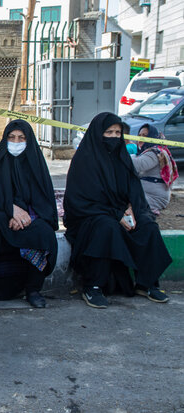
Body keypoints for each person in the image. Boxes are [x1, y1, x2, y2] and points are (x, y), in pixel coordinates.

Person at [63, 112, 172, 309]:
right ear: (98, 134)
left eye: (117, 133)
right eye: (109, 132)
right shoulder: (85, 160)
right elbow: (82, 200)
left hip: (121, 211)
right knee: (106, 227)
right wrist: (116, 214)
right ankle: (93, 286)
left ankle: (147, 283)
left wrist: (131, 208)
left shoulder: (122, 158)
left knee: (147, 226)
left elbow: (134, 190)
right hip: (90, 215)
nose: (114, 137)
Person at [0, 120, 58, 309]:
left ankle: (33, 290)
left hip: (28, 219)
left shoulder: (36, 163)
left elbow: (44, 201)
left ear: (28, 140)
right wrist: (10, 210)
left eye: (21, 138)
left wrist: (27, 216)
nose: (16, 142)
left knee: (44, 233)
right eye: (11, 137)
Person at [128, 123, 178, 214]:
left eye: (145, 136)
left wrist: (122, 155)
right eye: (139, 135)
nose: (140, 138)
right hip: (146, 194)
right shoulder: (150, 151)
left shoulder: (155, 153)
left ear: (153, 137)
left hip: (154, 198)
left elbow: (137, 165)